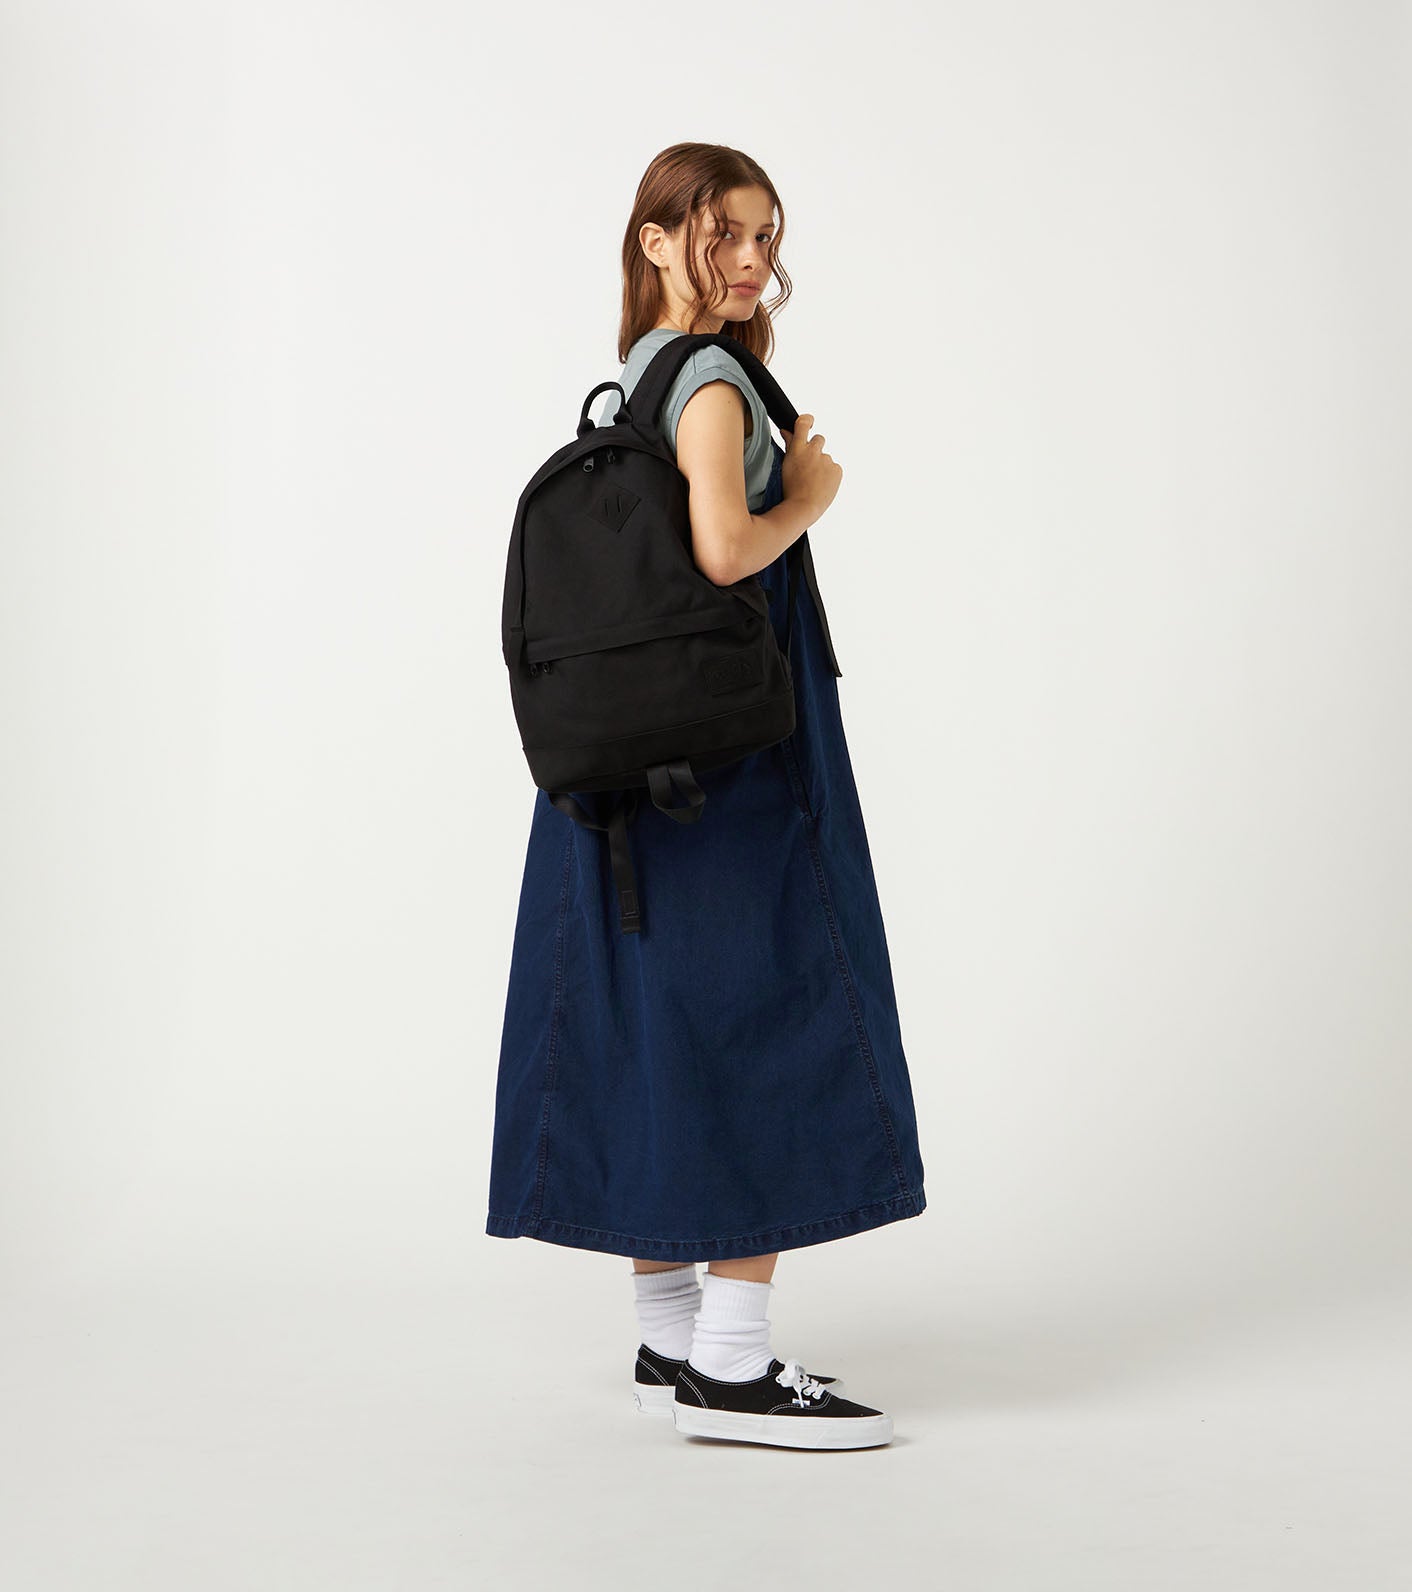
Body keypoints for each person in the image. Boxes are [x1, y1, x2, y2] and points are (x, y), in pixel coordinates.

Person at [487, 143, 926, 1451]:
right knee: (772, 1007)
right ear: (657, 240)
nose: (748, 261)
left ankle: (668, 1336)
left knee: (660, 1013)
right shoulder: (715, 382)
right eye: (721, 233)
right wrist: (811, 496)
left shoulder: (634, 373)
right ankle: (732, 1368)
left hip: (639, 758)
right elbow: (727, 550)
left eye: (763, 237)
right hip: (738, 759)